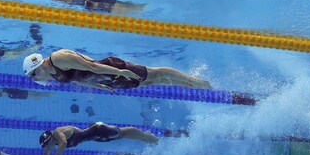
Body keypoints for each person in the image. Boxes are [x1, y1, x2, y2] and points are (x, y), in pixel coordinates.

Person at [22, 49, 211, 92]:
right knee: (152, 81)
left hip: (111, 68)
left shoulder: (58, 58)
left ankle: (193, 80)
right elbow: (77, 80)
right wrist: (101, 87)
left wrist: (121, 72)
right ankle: (191, 85)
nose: (34, 79)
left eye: (33, 75)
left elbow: (91, 66)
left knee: (152, 73)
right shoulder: (51, 74)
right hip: (106, 79)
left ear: (38, 66)